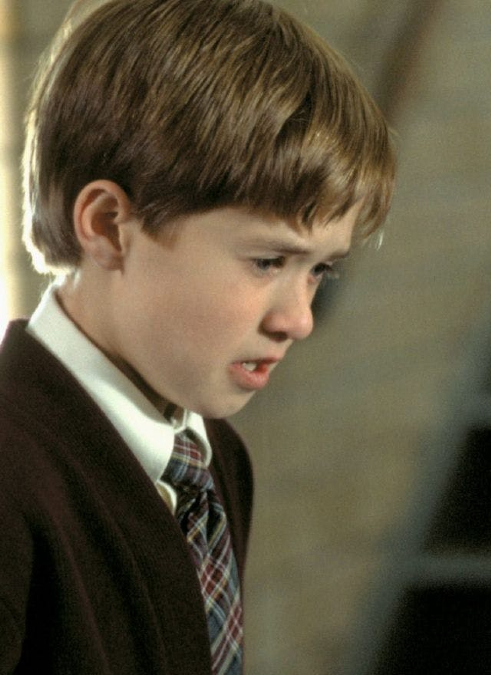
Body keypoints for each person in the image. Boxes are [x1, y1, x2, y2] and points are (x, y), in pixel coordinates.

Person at [0, 0, 394, 672]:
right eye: (267, 261)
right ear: (108, 226)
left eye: (319, 271)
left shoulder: (214, 460)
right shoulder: (13, 476)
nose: (298, 319)